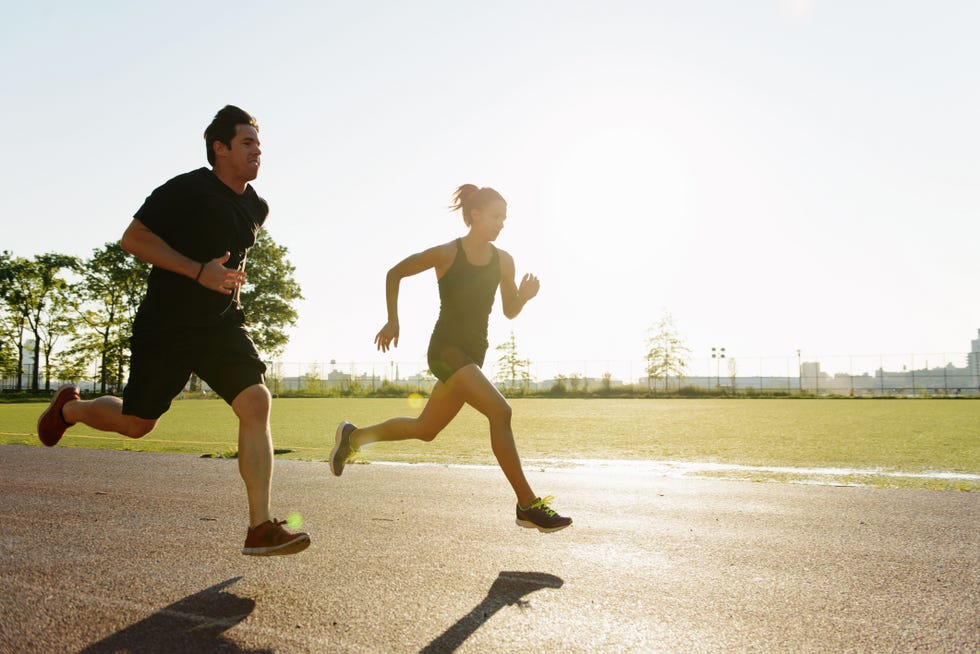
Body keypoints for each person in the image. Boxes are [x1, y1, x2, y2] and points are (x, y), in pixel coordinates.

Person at [37, 105, 309, 556]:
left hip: (220, 324)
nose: (257, 150)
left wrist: (225, 293)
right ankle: (70, 410)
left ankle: (259, 526)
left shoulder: (255, 206)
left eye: (259, 143)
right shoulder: (185, 190)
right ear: (219, 149)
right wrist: (196, 272)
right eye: (247, 142)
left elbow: (231, 264)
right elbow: (133, 238)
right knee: (137, 423)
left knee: (256, 400)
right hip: (168, 324)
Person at [330, 184, 572, 532]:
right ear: (475, 215)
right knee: (501, 411)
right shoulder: (447, 254)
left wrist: (525, 297)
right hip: (445, 351)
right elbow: (395, 272)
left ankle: (353, 438)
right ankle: (527, 504)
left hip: (474, 354)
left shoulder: (504, 261)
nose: (501, 224)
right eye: (495, 216)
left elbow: (509, 311)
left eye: (504, 218)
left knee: (425, 429)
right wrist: (393, 319)